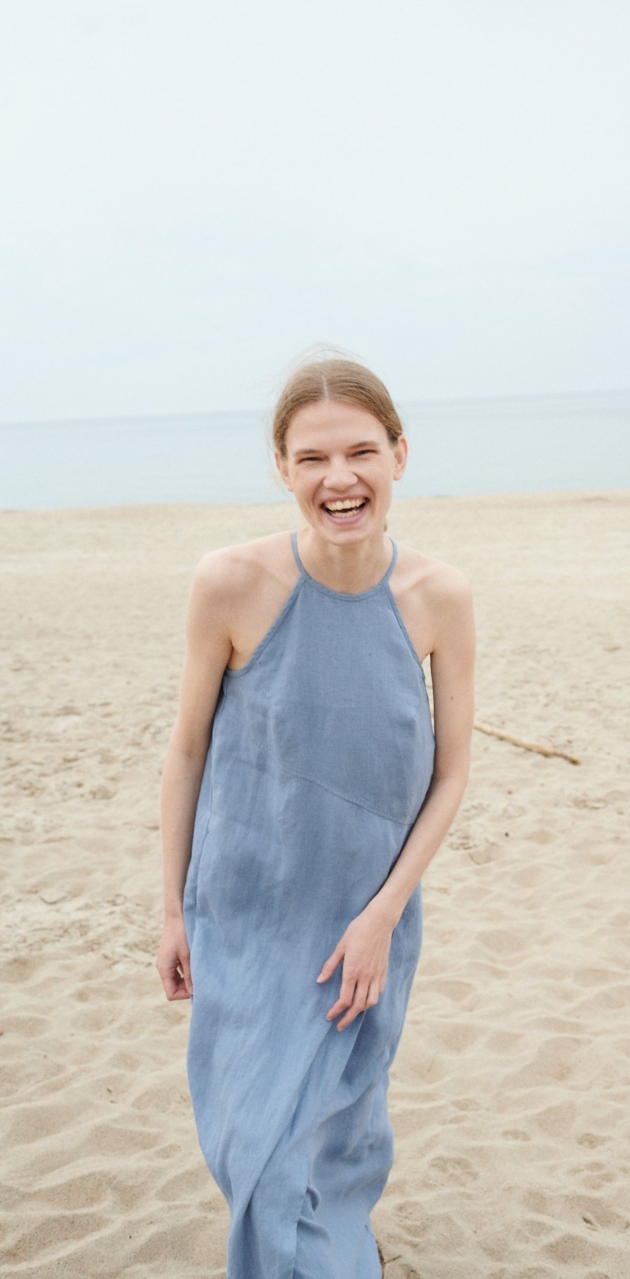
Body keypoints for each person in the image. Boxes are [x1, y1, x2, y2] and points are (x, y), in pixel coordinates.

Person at [155, 357, 475, 1279]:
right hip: (245, 910)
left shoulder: (438, 597)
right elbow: (185, 751)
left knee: (337, 1148)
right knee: (251, 1148)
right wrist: (172, 909)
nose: (340, 477)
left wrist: (380, 917)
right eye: (313, 458)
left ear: (400, 456)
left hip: (364, 925)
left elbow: (451, 775)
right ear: (283, 472)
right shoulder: (228, 582)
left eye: (362, 451)